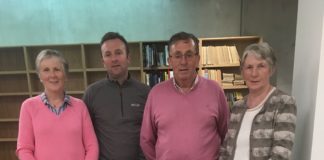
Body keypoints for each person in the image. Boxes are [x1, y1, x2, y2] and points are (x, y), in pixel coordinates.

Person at [140, 31, 229, 160]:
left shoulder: (215, 91)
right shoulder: (156, 94)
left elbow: (227, 135)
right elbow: (146, 139)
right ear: (169, 61)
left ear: (197, 59)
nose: (183, 61)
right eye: (177, 56)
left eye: (189, 55)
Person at [219, 42, 297, 160]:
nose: (254, 73)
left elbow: (281, 155)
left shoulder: (283, 103)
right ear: (243, 72)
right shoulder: (237, 107)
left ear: (271, 69)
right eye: (249, 67)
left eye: (261, 66)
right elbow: (226, 149)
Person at [16, 49, 98, 160]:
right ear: (39, 76)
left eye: (57, 69)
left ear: (65, 75)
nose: (52, 75)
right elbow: (24, 149)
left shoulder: (80, 106)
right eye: (46, 70)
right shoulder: (28, 107)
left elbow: (92, 146)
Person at [83, 32, 150, 160]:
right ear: (103, 62)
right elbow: (85, 137)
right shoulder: (91, 94)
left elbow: (152, 135)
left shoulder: (146, 93)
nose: (114, 59)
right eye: (108, 54)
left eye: (118, 53)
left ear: (128, 57)